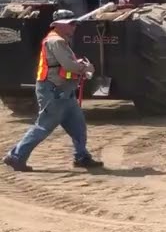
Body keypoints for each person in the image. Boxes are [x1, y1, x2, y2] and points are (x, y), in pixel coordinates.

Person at [2, 11, 105, 172]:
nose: (74, 26)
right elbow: (69, 66)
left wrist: (79, 68)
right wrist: (86, 68)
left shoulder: (60, 41)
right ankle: (16, 156)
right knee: (43, 127)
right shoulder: (56, 41)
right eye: (71, 23)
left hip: (64, 92)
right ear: (58, 25)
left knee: (78, 126)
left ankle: (82, 156)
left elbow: (65, 66)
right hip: (54, 92)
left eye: (74, 23)